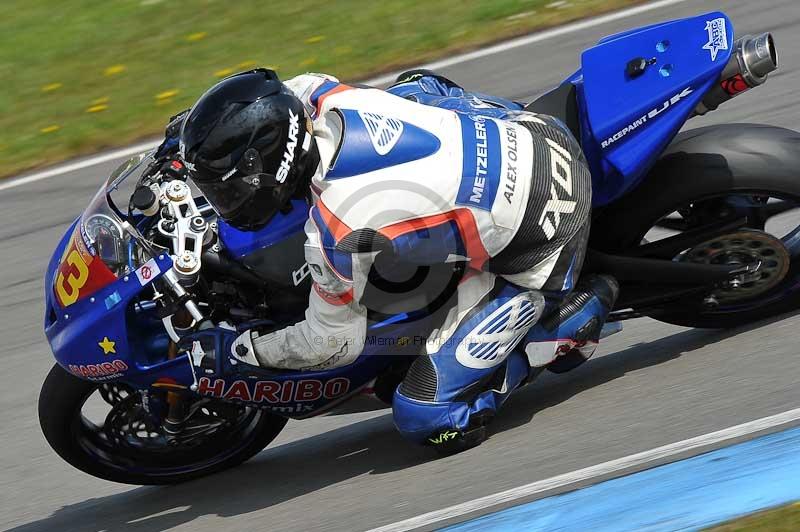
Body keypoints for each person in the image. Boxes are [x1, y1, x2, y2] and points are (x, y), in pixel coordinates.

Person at [170, 68, 618, 451]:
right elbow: (267, 98)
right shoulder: (317, 97)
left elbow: (330, 343)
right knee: (414, 85)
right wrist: (193, 137)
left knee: (424, 416)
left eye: (227, 189)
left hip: (546, 235)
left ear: (269, 168)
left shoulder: (337, 227)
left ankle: (563, 324)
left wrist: (243, 350)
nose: (223, 200)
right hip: (532, 129)